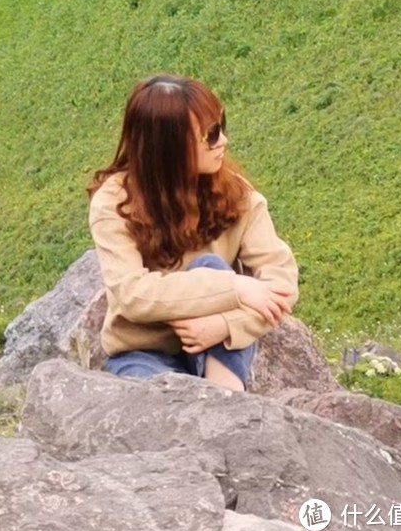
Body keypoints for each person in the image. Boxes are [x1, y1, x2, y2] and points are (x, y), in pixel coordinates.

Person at [87, 73, 298, 391]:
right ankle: (221, 406)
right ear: (169, 148)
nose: (223, 141)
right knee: (155, 412)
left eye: (222, 126)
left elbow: (281, 284)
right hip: (144, 352)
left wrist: (224, 325)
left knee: (209, 266)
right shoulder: (115, 204)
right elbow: (133, 296)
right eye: (211, 135)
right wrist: (234, 287)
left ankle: (226, 398)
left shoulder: (236, 195)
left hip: (220, 348)